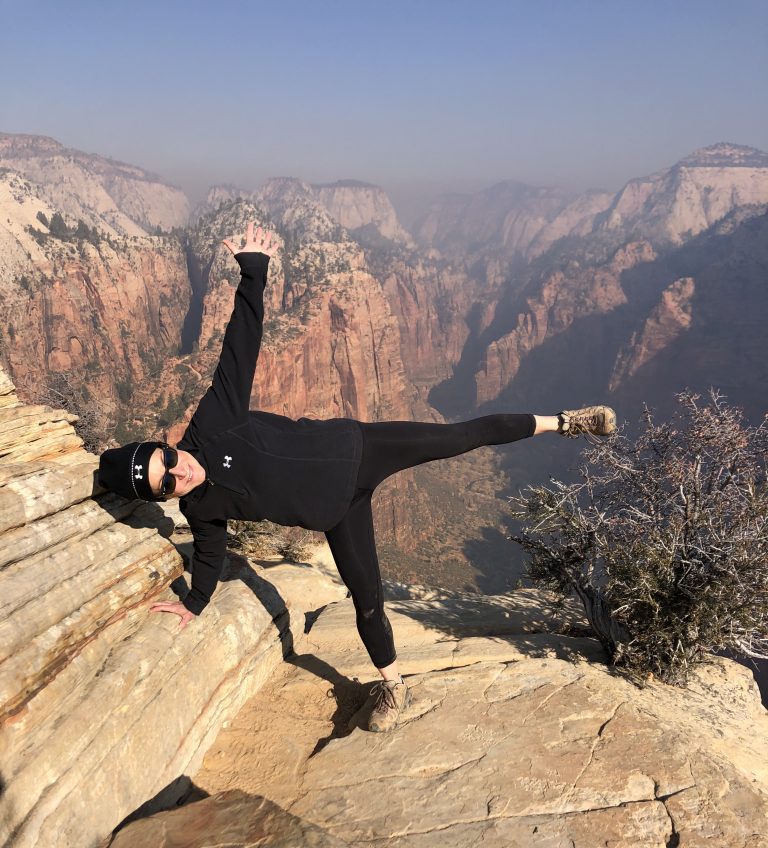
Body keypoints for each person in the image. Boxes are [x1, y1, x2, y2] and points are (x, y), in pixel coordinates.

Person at [98, 221, 617, 733]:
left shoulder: (213, 424)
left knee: (460, 436)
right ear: (165, 497)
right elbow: (209, 555)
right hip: (339, 513)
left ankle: (566, 422)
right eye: (168, 482)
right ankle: (393, 684)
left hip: (361, 449)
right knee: (368, 600)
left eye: (169, 457)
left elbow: (240, 347)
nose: (180, 469)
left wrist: (253, 271)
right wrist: (193, 603)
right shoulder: (200, 510)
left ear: (167, 445)